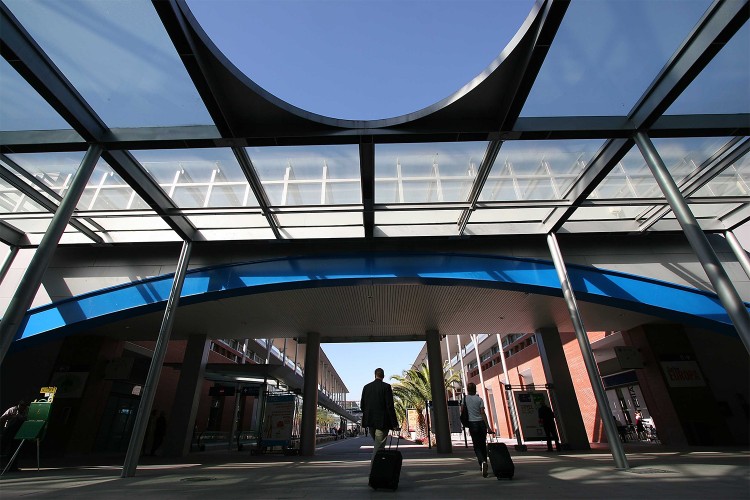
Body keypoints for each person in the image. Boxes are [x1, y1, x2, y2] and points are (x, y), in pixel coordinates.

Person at [360, 367, 399, 462]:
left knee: (379, 445)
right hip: (382, 422)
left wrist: (368, 414)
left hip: (370, 422)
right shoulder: (386, 387)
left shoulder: (366, 387)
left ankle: (382, 468)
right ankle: (373, 471)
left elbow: (362, 405)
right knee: (378, 447)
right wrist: (394, 424)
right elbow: (390, 406)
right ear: (383, 376)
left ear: (375, 375)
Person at [464, 382, 491, 477]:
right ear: (475, 389)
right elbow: (483, 413)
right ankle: (484, 461)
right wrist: (488, 427)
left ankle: (482, 462)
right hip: (481, 424)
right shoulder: (479, 399)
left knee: (476, 445)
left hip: (472, 423)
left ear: (467, 389)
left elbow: (463, 411)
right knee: (483, 444)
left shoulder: (465, 399)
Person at [0, 400, 29, 472]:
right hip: (8, 431)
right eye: (21, 406)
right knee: (3, 448)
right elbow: (2, 418)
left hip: (18, 432)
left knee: (15, 449)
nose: (22, 408)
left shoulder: (26, 412)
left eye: (24, 406)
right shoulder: (12, 410)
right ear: (19, 405)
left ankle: (13, 467)